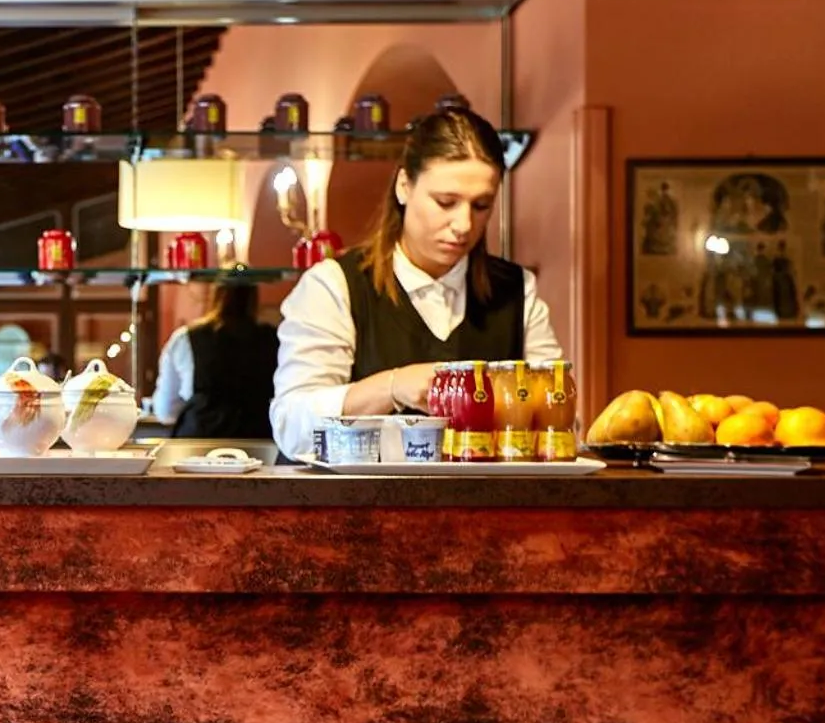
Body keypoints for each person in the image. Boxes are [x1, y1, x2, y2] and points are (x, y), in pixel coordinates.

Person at [270, 107, 561, 461]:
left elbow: (553, 421)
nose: (464, 224)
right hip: (356, 512)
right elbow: (291, 424)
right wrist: (393, 386)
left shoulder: (517, 291)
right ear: (404, 186)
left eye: (482, 205)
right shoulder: (334, 286)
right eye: (445, 202)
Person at [151, 280, 280, 438]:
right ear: (254, 298)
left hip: (198, 444)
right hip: (259, 442)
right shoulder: (273, 339)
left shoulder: (186, 339)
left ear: (215, 296)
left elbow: (165, 410)